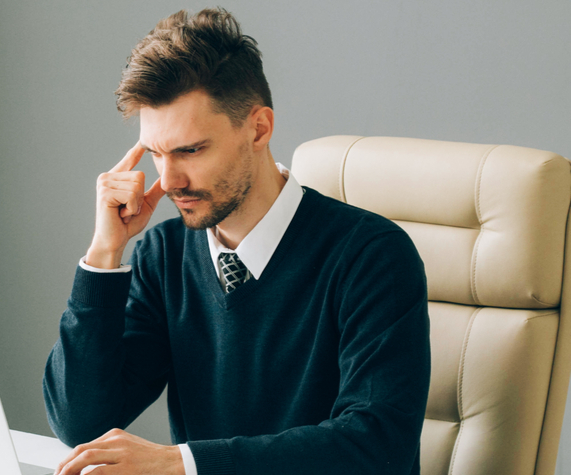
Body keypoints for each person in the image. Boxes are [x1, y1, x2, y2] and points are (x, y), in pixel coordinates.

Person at [43, 8, 431, 475]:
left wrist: (182, 464)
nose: (168, 181)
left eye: (190, 150)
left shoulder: (373, 256)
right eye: (158, 153)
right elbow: (82, 423)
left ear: (258, 129)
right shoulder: (163, 256)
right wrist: (104, 256)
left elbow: (377, 445)